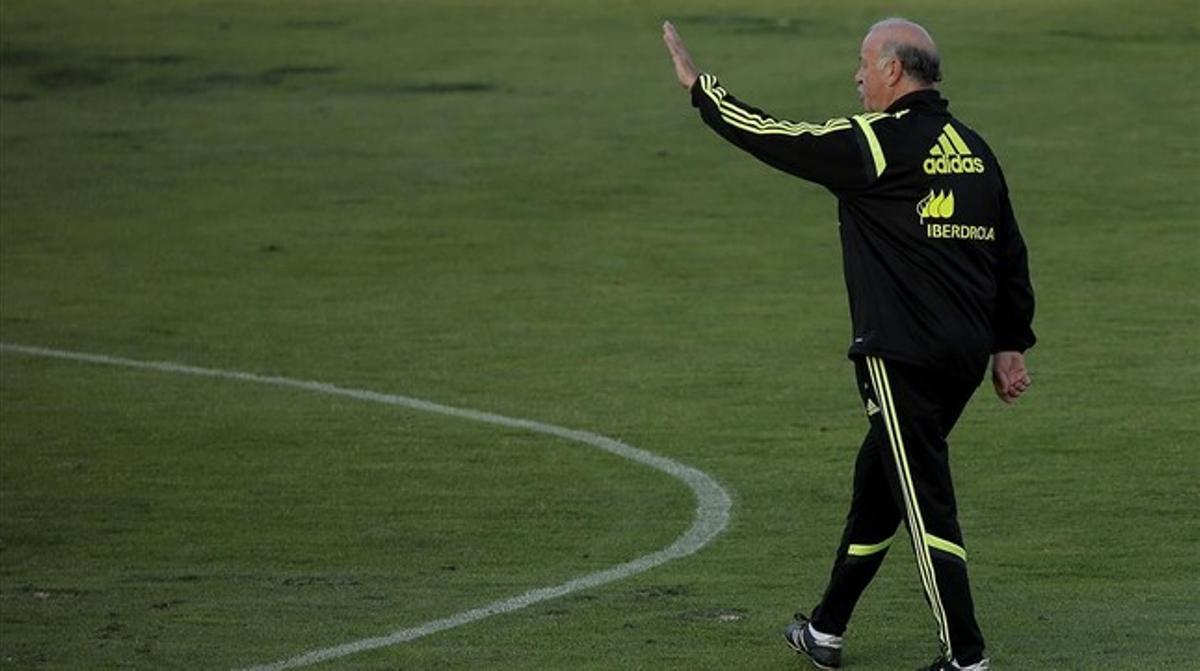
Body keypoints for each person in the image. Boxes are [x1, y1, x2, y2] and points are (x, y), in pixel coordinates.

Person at [662, 17, 1036, 671]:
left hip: (902, 356)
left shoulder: (878, 143)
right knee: (879, 487)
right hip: (962, 357)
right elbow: (1009, 251)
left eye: (864, 64)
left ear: (894, 69)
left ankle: (966, 656)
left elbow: (778, 138)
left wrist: (702, 89)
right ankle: (826, 629)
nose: (856, 77)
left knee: (922, 499)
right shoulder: (973, 149)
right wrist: (1010, 344)